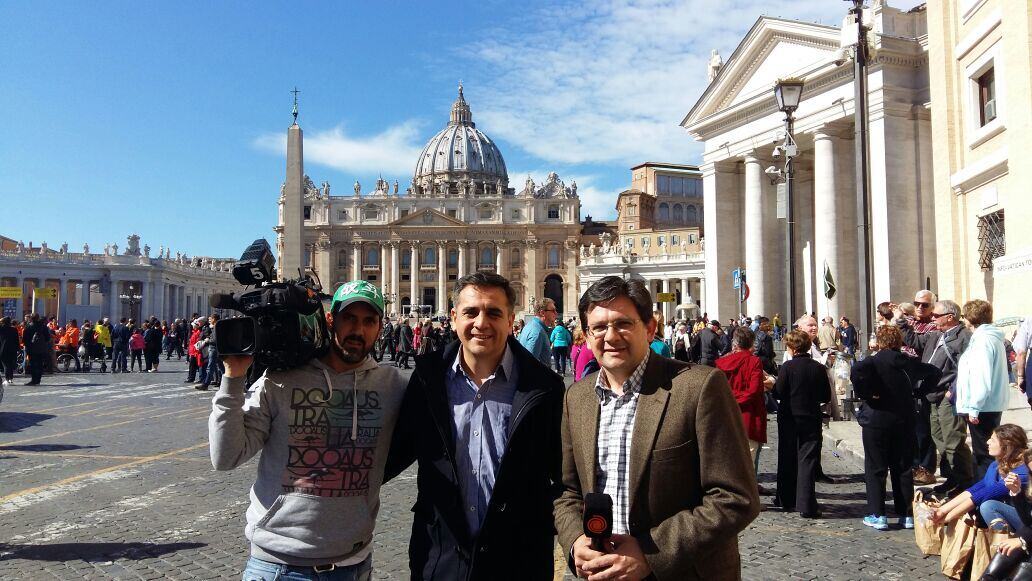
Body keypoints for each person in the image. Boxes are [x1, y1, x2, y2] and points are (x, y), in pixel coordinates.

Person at [554, 276, 759, 580]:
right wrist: (574, 542)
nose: (610, 336)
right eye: (598, 327)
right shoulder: (577, 397)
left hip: (683, 571)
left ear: (649, 329)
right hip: (602, 571)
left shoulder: (699, 387)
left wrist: (650, 553)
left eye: (623, 323)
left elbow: (735, 496)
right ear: (585, 335)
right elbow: (568, 491)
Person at [210, 280, 407, 580]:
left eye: (369, 321)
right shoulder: (279, 381)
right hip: (277, 565)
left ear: (380, 327)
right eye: (349, 319)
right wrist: (234, 378)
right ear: (331, 321)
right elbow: (225, 458)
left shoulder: (393, 387)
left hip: (353, 565)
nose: (358, 330)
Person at [386, 273, 564, 580]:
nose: (481, 323)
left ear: (511, 321)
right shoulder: (427, 381)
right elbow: (392, 453)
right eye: (471, 312)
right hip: (441, 560)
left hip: (519, 561)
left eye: (494, 313)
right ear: (454, 318)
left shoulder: (545, 388)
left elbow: (564, 475)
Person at [850, 325, 942, 531]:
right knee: (902, 467)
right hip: (903, 419)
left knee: (876, 467)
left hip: (877, 419)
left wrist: (867, 393)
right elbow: (934, 372)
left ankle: (878, 514)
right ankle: (906, 514)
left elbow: (855, 370)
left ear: (880, 342)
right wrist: (919, 393)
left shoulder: (873, 361)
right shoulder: (906, 362)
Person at [900, 299, 975, 496]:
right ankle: (952, 477)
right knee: (938, 437)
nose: (933, 318)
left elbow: (967, 368)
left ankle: (965, 480)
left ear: (950, 317)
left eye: (936, 315)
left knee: (953, 440)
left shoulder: (963, 337)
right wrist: (901, 322)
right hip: (930, 393)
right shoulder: (935, 334)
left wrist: (954, 389)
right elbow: (914, 341)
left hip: (947, 395)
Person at [774, 329, 831, 518]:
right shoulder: (818, 368)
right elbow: (825, 396)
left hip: (789, 416)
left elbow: (778, 393)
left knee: (787, 455)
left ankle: (785, 498)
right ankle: (806, 504)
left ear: (791, 348)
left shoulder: (787, 368)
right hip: (810, 416)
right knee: (807, 459)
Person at [930, 424, 1029, 530]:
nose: (988, 442)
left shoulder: (1023, 471)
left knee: (988, 506)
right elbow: (976, 489)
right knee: (980, 506)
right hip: (1015, 512)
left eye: (993, 440)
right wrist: (942, 509)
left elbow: (984, 494)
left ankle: (1007, 541)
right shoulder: (995, 465)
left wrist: (946, 517)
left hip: (1027, 519)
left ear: (1007, 446)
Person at [956, 299, 1012, 477]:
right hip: (989, 404)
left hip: (983, 406)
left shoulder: (983, 341)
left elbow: (981, 375)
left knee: (983, 454)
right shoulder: (988, 338)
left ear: (971, 318)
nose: (963, 320)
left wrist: (974, 407)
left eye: (965, 316)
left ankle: (984, 496)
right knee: (985, 451)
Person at [716, 326, 768, 473]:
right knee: (748, 465)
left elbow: (717, 391)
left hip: (726, 416)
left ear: (735, 343)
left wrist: (729, 401)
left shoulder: (721, 363)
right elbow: (754, 390)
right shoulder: (754, 362)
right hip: (749, 416)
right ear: (751, 342)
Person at [517, 297, 557, 368]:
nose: (556, 313)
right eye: (553, 310)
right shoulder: (537, 332)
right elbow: (529, 364)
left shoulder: (529, 326)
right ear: (542, 313)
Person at [22, 314, 50, 385]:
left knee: (33, 364)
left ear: (31, 318)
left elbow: (24, 339)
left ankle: (34, 379)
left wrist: (28, 345)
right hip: (41, 349)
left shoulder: (28, 326)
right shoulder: (43, 326)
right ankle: (38, 380)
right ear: (38, 318)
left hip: (31, 349)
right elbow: (48, 338)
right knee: (40, 364)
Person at [0, 317, 20, 386]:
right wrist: (18, 349)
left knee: (5, 365)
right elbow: (17, 340)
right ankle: (10, 379)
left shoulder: (1, 329)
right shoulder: (14, 329)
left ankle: (6, 379)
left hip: (3, 349)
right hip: (12, 349)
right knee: (10, 365)